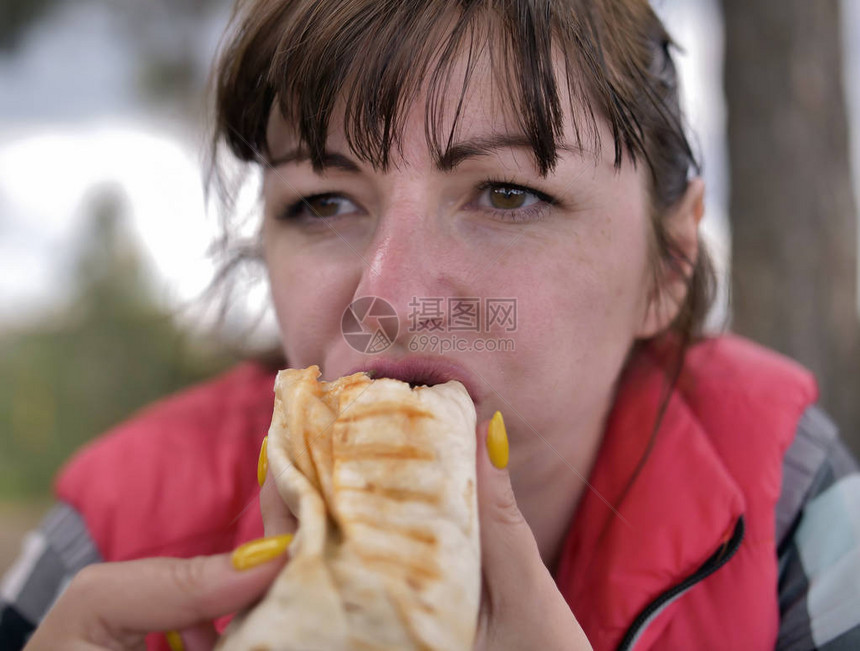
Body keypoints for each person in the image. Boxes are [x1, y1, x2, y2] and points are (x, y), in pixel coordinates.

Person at [3, 0, 859, 649]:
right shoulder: (108, 542)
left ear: (667, 264)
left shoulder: (790, 505)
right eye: (323, 201)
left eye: (509, 193)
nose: (395, 297)